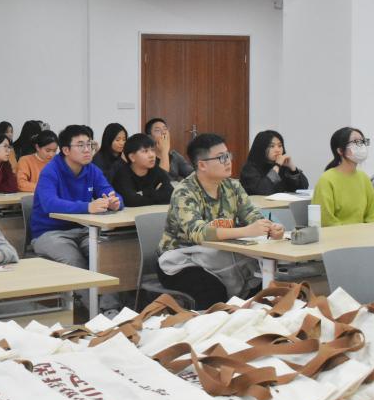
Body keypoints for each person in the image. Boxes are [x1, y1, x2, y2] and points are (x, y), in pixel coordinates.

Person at [158, 133, 284, 307]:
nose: (228, 161)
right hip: (180, 260)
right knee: (213, 290)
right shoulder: (184, 192)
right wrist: (246, 231)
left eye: (228, 155)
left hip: (219, 255)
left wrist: (270, 228)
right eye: (221, 157)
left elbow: (252, 215)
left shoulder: (233, 186)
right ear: (202, 165)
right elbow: (198, 233)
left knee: (261, 284)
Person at [30, 125, 122, 290]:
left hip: (85, 230)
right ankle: (87, 305)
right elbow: (49, 203)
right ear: (66, 150)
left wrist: (115, 202)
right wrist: (87, 207)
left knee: (104, 257)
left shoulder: (92, 170)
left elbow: (111, 193)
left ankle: (109, 304)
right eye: (80, 145)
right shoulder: (51, 170)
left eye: (89, 144)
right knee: (74, 261)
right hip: (49, 232)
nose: (87, 150)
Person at [311, 127, 374, 226]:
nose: (361, 146)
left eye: (362, 142)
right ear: (340, 150)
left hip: (365, 233)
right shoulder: (326, 179)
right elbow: (325, 219)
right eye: (355, 142)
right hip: (337, 234)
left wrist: (370, 230)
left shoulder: (363, 177)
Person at [240, 130, 310, 196]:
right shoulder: (249, 169)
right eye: (272, 146)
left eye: (280, 146)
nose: (277, 150)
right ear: (261, 148)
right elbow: (262, 191)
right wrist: (277, 166)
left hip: (282, 204)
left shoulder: (283, 167)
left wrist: (293, 168)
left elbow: (303, 188)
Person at [112, 133, 173, 207]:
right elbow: (131, 201)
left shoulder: (155, 170)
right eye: (145, 151)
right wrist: (156, 193)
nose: (152, 155)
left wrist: (144, 194)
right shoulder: (122, 175)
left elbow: (170, 194)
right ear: (132, 157)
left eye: (152, 150)